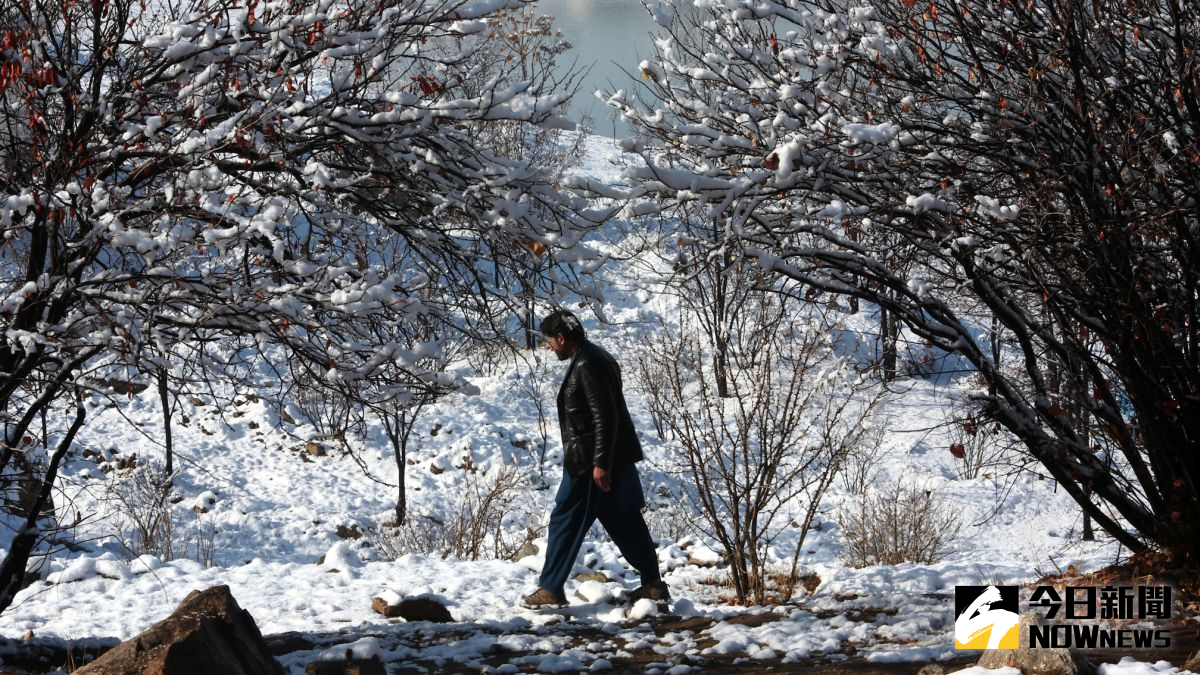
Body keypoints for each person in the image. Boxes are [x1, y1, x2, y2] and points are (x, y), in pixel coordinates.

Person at [521, 309, 669, 609]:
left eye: (550, 341)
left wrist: (601, 464)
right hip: (612, 456)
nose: (550, 347)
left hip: (591, 462)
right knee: (623, 518)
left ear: (561, 337)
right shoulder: (596, 356)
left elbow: (605, 416)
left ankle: (550, 589)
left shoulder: (587, 363)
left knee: (564, 519)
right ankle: (653, 585)